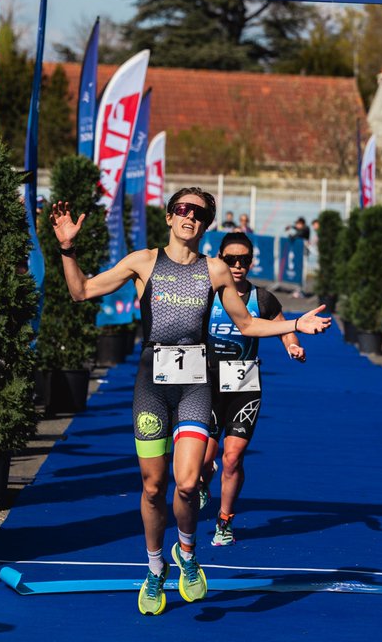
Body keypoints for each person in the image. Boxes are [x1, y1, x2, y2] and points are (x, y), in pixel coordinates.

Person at [49, 187, 330, 616]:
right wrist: (67, 248)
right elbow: (82, 291)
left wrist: (294, 323)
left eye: (199, 213)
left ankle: (187, 551)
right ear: (169, 216)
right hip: (151, 384)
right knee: (152, 486)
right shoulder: (142, 262)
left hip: (196, 384)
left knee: (186, 483)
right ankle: (154, 567)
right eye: (183, 209)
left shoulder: (215, 270)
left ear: (206, 223)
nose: (190, 217)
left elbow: (247, 324)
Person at [199, 232, 306, 547]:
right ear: (219, 259)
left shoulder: (263, 299)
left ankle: (225, 520)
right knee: (205, 459)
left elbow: (284, 327)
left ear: (250, 262)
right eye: (230, 259)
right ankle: (206, 477)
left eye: (243, 260)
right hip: (205, 382)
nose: (236, 265)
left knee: (233, 457)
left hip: (244, 382)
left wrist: (293, 345)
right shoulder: (207, 293)